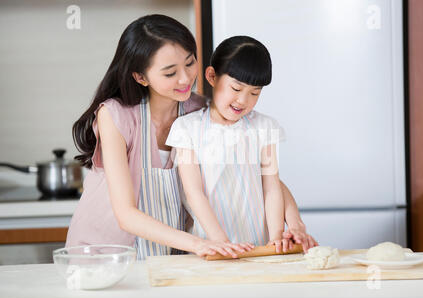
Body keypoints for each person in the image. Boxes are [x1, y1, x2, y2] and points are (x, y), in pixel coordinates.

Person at [65, 14, 314, 260]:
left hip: (169, 253)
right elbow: (126, 214)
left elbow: (258, 175)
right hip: (106, 253)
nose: (185, 79)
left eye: (189, 62)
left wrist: (294, 222)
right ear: (141, 76)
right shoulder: (116, 116)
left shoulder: (199, 112)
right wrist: (204, 243)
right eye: (170, 72)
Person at [166, 36, 318, 254]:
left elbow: (272, 186)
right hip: (211, 247)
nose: (243, 100)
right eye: (236, 89)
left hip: (259, 247)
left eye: (255, 93)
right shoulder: (186, 129)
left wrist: (275, 238)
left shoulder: (264, 127)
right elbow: (194, 193)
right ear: (212, 76)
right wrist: (221, 241)